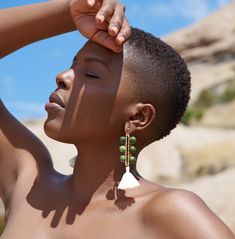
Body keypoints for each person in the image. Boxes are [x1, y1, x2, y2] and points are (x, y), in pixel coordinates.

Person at [0, 0, 234, 238]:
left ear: (138, 117)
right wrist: (69, 13)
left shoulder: (169, 212)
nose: (62, 77)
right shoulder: (28, 187)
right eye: (72, 66)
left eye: (90, 74)